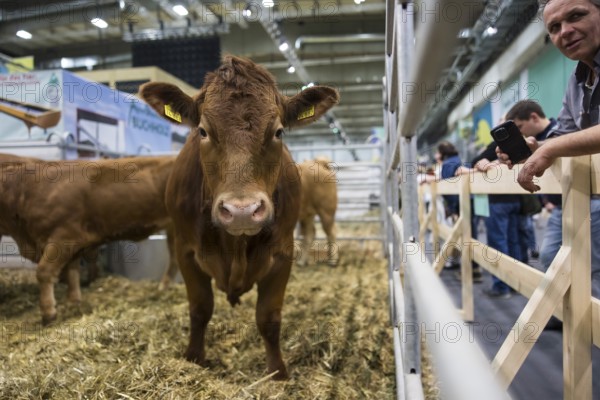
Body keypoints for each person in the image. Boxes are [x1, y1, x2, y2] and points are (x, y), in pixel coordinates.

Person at [498, 0, 600, 298]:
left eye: (576, 16)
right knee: (562, 263)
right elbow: (568, 135)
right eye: (554, 27)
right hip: (585, 196)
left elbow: (561, 141)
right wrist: (535, 147)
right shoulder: (577, 80)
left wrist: (550, 146)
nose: (565, 31)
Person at [505, 100, 558, 264]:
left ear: (534, 117)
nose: (520, 133)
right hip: (561, 208)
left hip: (586, 203)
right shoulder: (531, 143)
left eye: (520, 127)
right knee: (548, 256)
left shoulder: (560, 132)